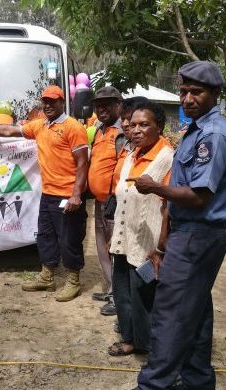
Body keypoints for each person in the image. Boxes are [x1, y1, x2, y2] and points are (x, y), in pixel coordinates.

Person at [114, 61, 226, 390]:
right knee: (196, 307)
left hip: (198, 234)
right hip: (192, 232)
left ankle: (153, 388)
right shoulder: (197, 129)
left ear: (215, 93)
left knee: (169, 310)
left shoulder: (212, 135)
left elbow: (199, 195)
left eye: (195, 92)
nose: (187, 98)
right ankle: (197, 377)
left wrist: (155, 187)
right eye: (183, 91)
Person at [0, 85, 89, 302]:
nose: (48, 105)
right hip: (48, 193)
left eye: (53, 101)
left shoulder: (73, 127)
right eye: (45, 101)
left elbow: (82, 163)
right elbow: (7, 131)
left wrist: (76, 195)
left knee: (69, 239)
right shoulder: (40, 126)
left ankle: (73, 281)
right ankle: (47, 277)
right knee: (45, 236)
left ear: (62, 102)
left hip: (68, 195)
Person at [107, 101, 173, 357]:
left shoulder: (167, 158)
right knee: (123, 291)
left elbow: (169, 207)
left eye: (144, 125)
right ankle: (130, 338)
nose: (136, 130)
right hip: (125, 238)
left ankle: (149, 346)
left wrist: (160, 247)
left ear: (159, 127)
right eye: (132, 125)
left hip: (148, 244)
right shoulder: (131, 155)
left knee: (145, 296)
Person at [86, 86, 126, 316]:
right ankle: (111, 287)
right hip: (101, 202)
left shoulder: (122, 132)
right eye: (98, 105)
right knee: (102, 245)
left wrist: (114, 195)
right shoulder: (99, 130)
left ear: (119, 105)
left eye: (107, 105)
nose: (102, 109)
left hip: (115, 202)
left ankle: (118, 295)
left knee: (116, 247)